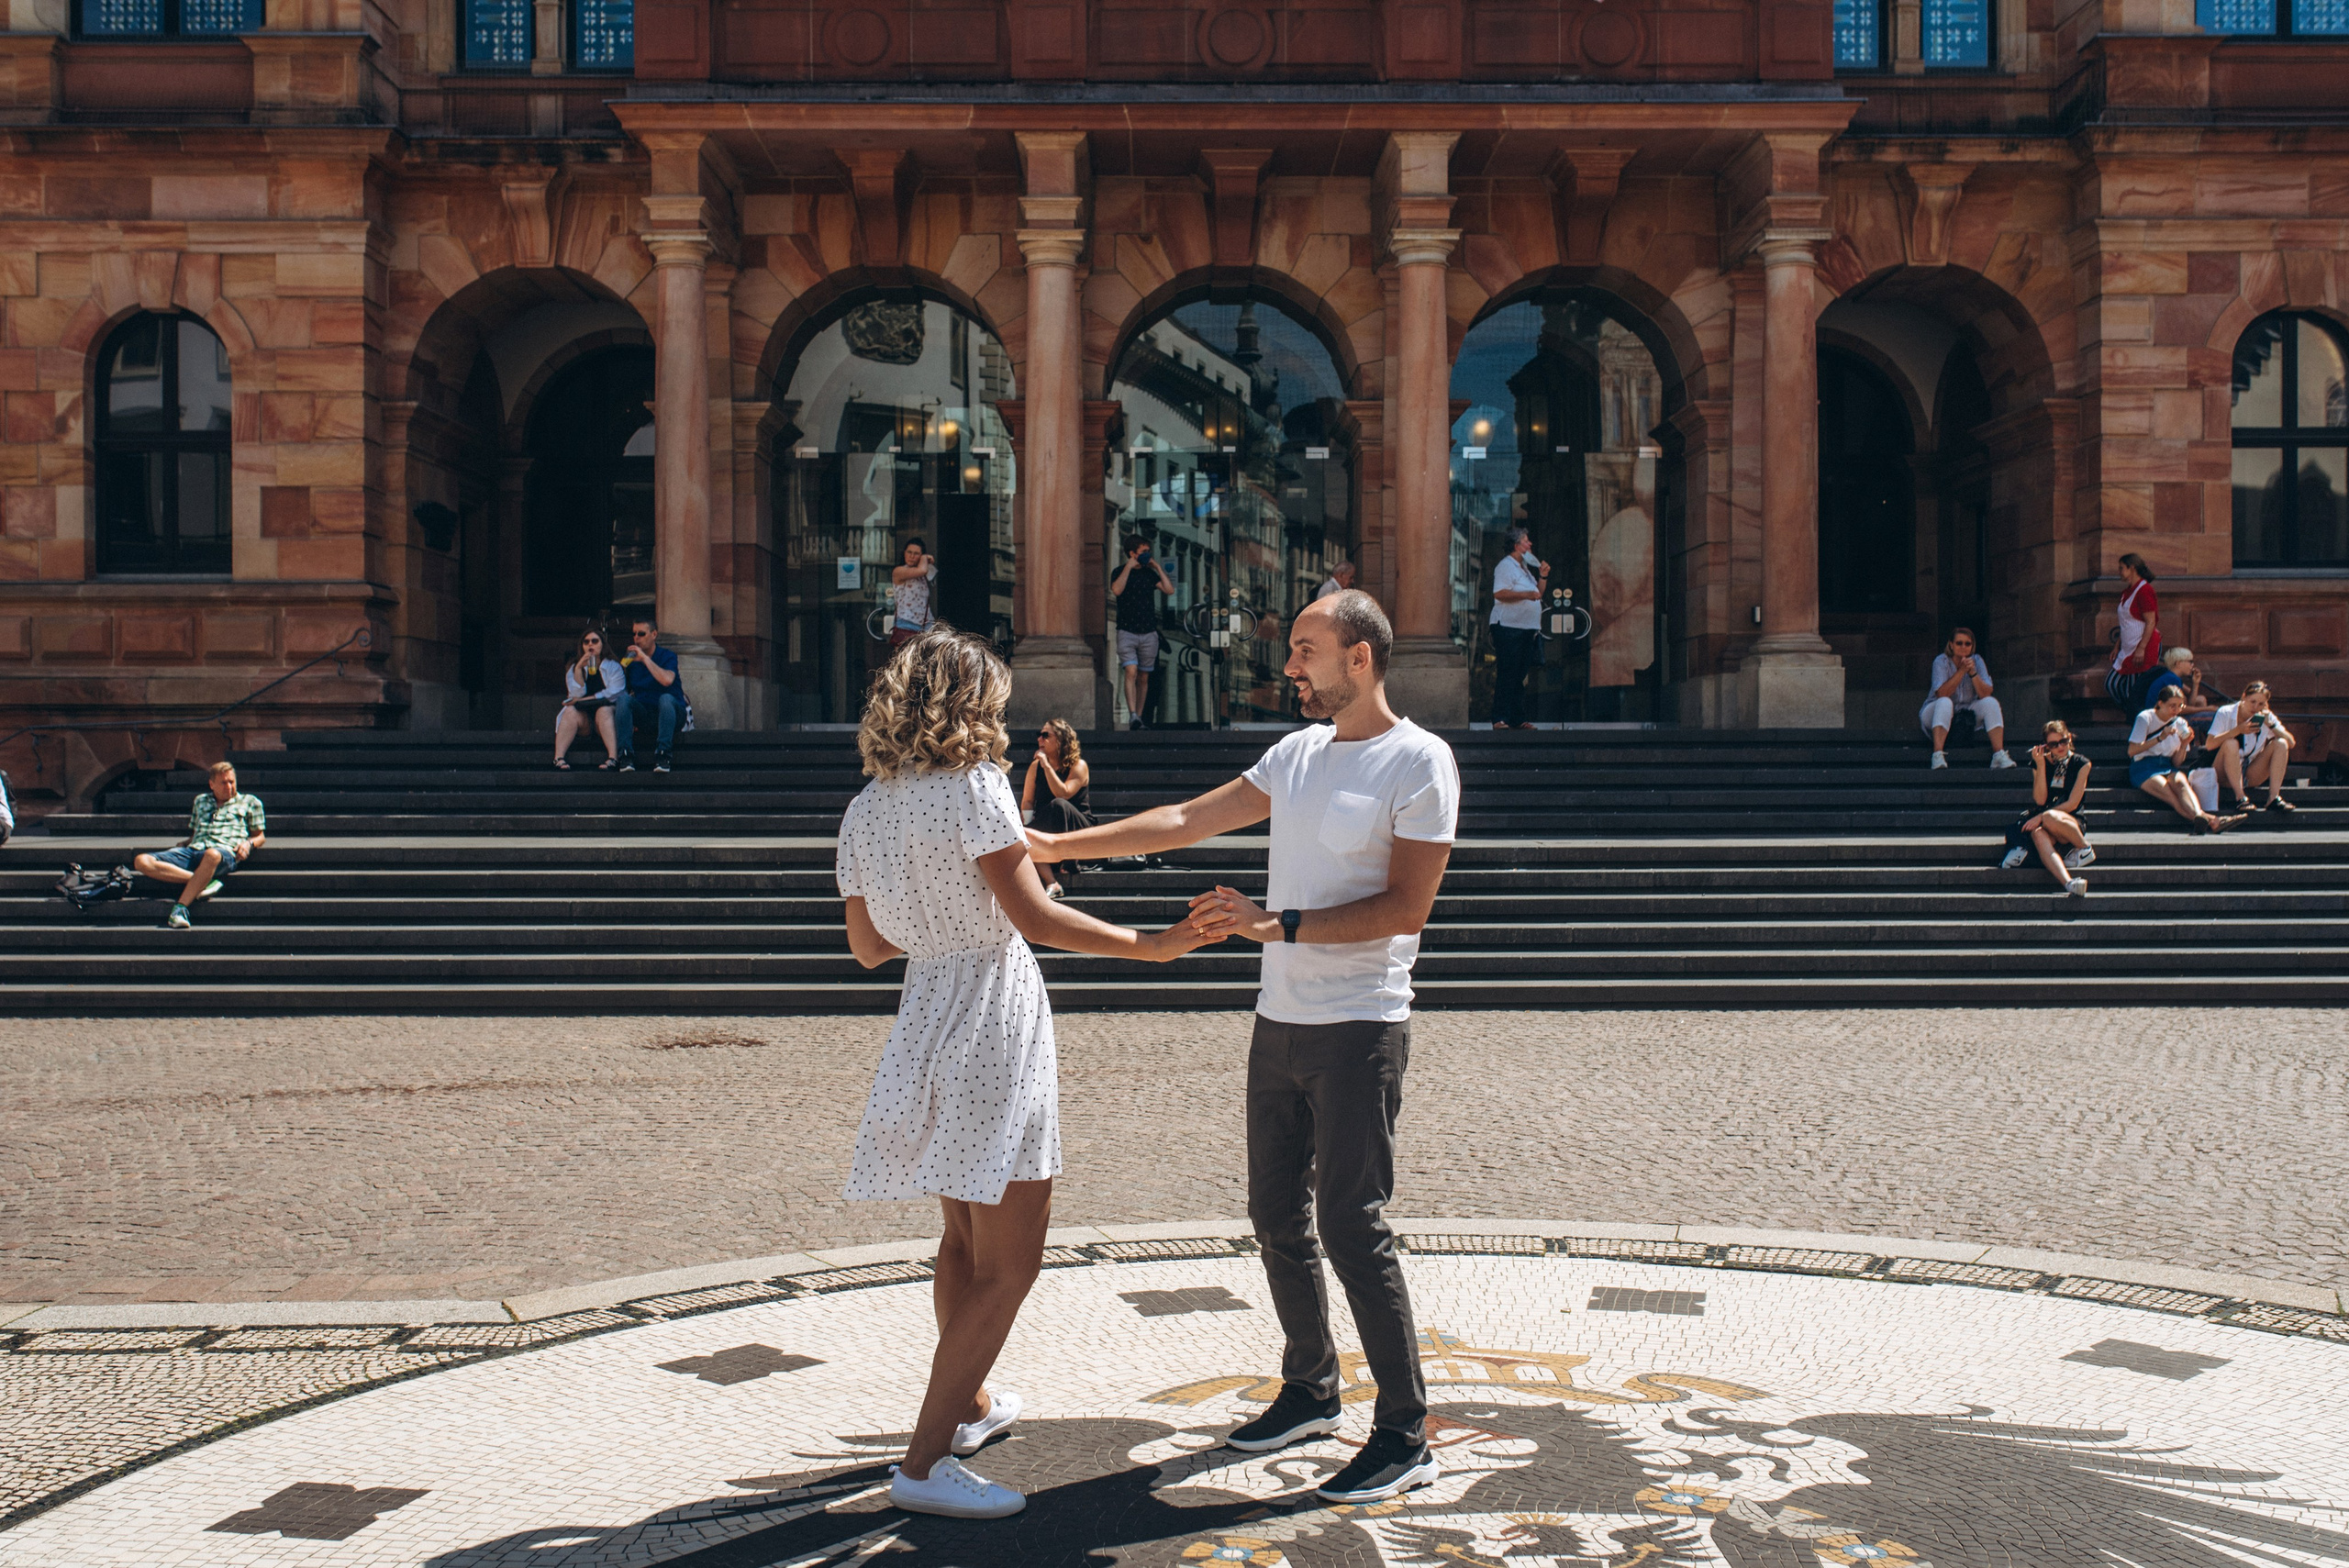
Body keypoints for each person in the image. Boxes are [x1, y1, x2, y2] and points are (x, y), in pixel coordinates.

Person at [1027, 589, 1460, 1507]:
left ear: (1361, 659)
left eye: (1307, 649)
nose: (1290, 665)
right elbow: (1185, 818)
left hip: (1359, 1023)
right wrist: (1059, 845)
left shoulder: (1420, 761)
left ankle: (1405, 1428)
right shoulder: (1295, 754)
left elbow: (1404, 910)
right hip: (1280, 1020)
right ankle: (1309, 1387)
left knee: (1352, 1222)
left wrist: (1275, 923)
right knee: (1274, 1213)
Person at [835, 626, 1211, 1521]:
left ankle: (964, 1408)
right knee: (1011, 1259)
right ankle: (923, 1462)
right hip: (991, 1020)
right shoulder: (975, 788)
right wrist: (1148, 944)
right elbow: (1035, 918)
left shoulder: (866, 807)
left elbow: (866, 946)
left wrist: (937, 919)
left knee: (964, 1240)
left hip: (926, 1014)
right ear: (969, 704)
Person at [135, 761, 265, 930]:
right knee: (141, 860)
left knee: (212, 854)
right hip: (193, 850)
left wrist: (249, 844)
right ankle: (204, 881)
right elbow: (196, 831)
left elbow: (260, 836)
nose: (229, 787)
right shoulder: (201, 801)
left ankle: (180, 909)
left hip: (224, 852)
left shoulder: (250, 802)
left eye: (232, 782)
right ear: (212, 784)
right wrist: (185, 843)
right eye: (223, 783)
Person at [2129, 685, 2243, 834]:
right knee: (2169, 793)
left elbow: (2177, 762)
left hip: (2167, 765)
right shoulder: (2146, 718)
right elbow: (2132, 750)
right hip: (2144, 766)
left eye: (2180, 706)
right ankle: (2212, 821)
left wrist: (2183, 745)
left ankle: (2203, 818)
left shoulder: (2180, 723)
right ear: (2160, 703)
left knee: (2181, 782)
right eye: (2172, 706)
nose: (2176, 710)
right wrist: (2160, 738)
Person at [2000, 720, 2093, 895]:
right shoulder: (2040, 762)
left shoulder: (2082, 763)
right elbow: (2040, 800)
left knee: (2049, 816)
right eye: (2053, 744)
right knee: (2037, 833)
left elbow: (2073, 803)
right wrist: (2041, 765)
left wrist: (2042, 817)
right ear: (2046, 746)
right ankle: (2068, 883)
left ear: (2070, 738)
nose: (2060, 747)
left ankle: (2084, 848)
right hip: (2047, 821)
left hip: (2070, 821)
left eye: (2063, 741)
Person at [1920, 627, 2014, 769]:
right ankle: (1938, 754)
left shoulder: (1977, 661)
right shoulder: (1941, 661)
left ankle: (1998, 754)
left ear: (1972, 646)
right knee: (1945, 702)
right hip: (1935, 711)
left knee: (1991, 703)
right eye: (1959, 643)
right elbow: (1941, 693)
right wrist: (1961, 671)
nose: (1963, 647)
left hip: (1966, 713)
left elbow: (1986, 693)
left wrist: (1973, 674)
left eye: (1967, 644)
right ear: (1951, 645)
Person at [1019, 717, 1092, 899]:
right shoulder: (1035, 767)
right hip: (1048, 825)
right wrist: (1028, 827)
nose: (1039, 740)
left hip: (1078, 826)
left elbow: (1064, 793)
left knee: (1059, 805)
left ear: (1060, 739)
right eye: (1039, 735)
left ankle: (1067, 861)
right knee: (1026, 837)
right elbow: (1027, 801)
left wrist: (1046, 765)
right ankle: (1052, 883)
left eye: (1045, 735)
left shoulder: (1078, 765)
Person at [1110, 536, 1174, 728]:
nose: (1147, 555)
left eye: (1148, 551)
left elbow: (1169, 590)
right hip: (1127, 630)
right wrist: (1129, 567)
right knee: (1131, 670)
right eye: (1144, 552)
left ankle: (1139, 716)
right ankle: (1132, 715)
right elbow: (1117, 590)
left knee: (1144, 676)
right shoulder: (1119, 572)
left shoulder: (1149, 574)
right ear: (1132, 553)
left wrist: (1157, 567)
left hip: (1148, 632)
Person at [615, 615, 690, 774]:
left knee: (666, 698)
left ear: (654, 634)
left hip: (672, 714)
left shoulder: (667, 656)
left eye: (641, 634)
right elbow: (625, 691)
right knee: (623, 700)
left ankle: (663, 755)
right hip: (646, 715)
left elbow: (667, 680)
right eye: (634, 634)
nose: (636, 638)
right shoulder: (632, 662)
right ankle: (625, 755)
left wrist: (644, 659)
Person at [2209, 680, 2298, 814]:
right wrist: (2238, 730)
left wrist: (2271, 725)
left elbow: (2291, 743)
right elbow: (2210, 744)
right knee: (2231, 743)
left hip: (2250, 772)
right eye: (2253, 702)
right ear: (2244, 697)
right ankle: (2241, 798)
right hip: (2222, 772)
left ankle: (2273, 798)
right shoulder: (2226, 712)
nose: (2256, 707)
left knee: (2281, 743)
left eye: (2261, 704)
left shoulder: (2265, 716)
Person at [1488, 528, 1546, 729]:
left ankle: (1517, 718)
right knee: (1508, 672)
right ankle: (1500, 718)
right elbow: (1500, 593)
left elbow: (1537, 594)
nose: (1530, 544)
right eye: (1526, 541)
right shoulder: (1506, 567)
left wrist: (1543, 577)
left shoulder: (1525, 570)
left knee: (1520, 674)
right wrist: (1525, 596)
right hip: (1509, 627)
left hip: (1526, 629)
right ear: (1516, 545)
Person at [555, 627, 623, 771]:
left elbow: (612, 693)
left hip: (605, 718)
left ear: (602, 644)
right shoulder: (575, 667)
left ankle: (613, 758)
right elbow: (575, 695)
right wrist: (579, 667)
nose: (590, 645)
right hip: (584, 719)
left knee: (604, 710)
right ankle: (558, 757)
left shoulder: (613, 666)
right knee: (570, 710)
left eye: (594, 641)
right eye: (586, 642)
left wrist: (582, 701)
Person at [2106, 552, 2163, 713]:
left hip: (2142, 646)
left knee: (2135, 688)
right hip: (2128, 647)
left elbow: (2151, 621)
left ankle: (2136, 715)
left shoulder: (2144, 590)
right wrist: (2117, 646)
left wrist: (2142, 648)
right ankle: (2132, 711)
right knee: (2112, 683)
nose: (2119, 571)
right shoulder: (2126, 592)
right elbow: (2125, 623)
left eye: (2121, 568)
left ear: (2132, 568)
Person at [891, 538, 939, 647]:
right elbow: (922, 570)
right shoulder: (899, 571)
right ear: (904, 553)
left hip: (926, 625)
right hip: (906, 623)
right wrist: (924, 557)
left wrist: (925, 560)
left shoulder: (924, 574)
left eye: (916, 553)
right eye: (909, 552)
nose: (912, 556)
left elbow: (926, 572)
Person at [2143, 645, 2214, 715]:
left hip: (2163, 715)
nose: (2192, 665)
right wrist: (2207, 709)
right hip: (2159, 718)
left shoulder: (2172, 677)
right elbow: (2179, 709)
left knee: (2200, 700)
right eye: (2190, 662)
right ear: (2178, 663)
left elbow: (2190, 704)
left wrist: (2196, 684)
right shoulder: (2171, 679)